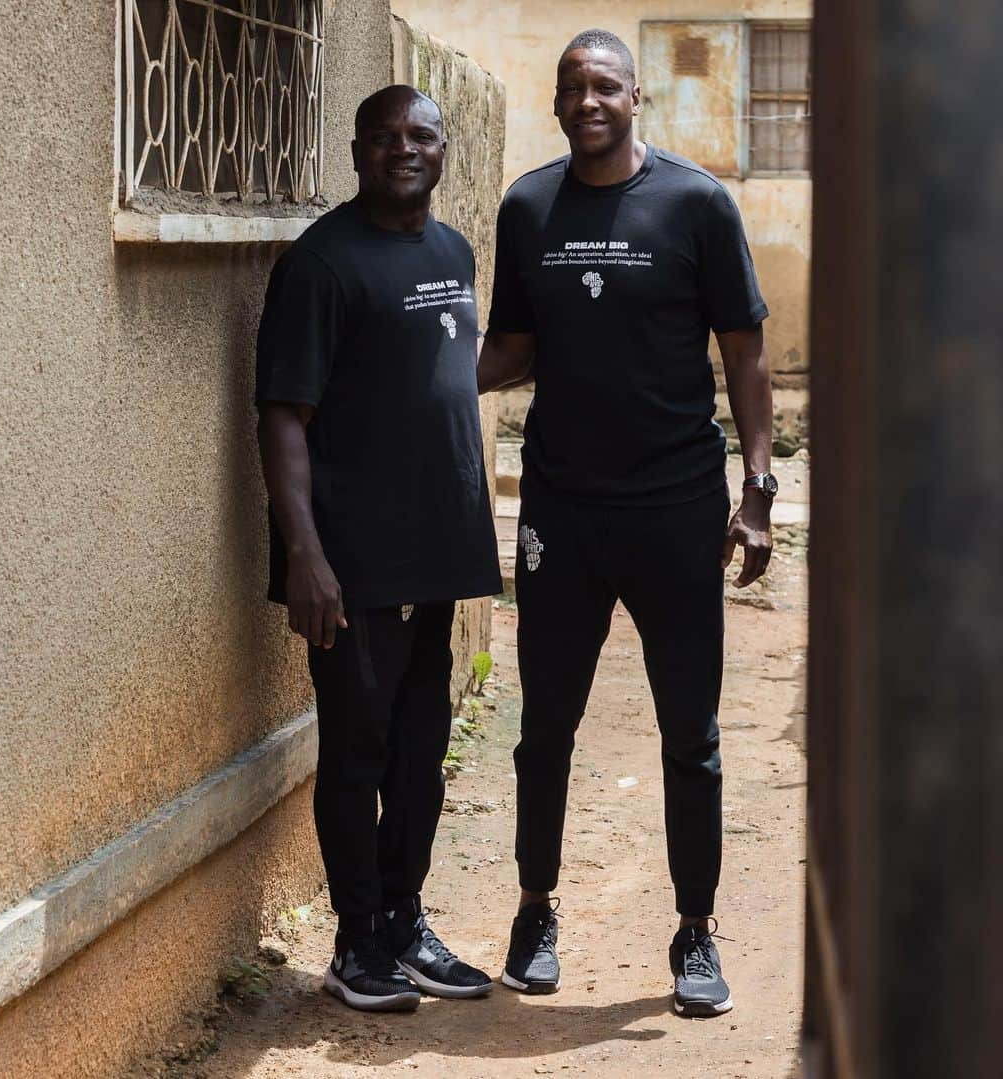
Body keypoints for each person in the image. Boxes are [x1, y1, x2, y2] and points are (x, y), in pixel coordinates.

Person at [478, 29, 776, 1018]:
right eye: (573, 86)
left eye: (605, 83)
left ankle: (695, 930)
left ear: (636, 95)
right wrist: (421, 364)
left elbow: (745, 354)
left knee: (689, 732)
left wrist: (758, 488)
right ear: (559, 102)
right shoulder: (527, 206)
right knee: (543, 729)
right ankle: (534, 909)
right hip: (563, 505)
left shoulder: (695, 204)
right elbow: (513, 348)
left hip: (678, 506)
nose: (589, 98)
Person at [256, 85, 502, 1013]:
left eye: (422, 136)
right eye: (387, 137)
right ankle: (355, 943)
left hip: (437, 549)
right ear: (358, 150)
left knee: (420, 749)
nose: (406, 149)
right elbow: (283, 416)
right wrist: (304, 555)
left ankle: (404, 920)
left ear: (443, 151)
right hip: (352, 562)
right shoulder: (321, 264)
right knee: (356, 752)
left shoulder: (451, 250)